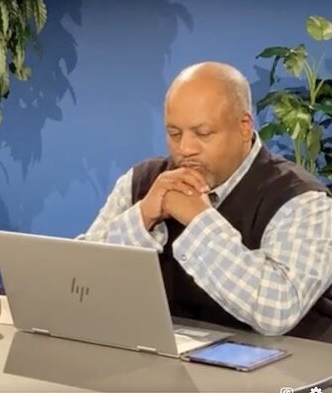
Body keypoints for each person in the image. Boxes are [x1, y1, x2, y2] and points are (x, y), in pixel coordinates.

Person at [82, 61, 332, 341]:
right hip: (165, 365)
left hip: (287, 372)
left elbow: (278, 310)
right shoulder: (141, 181)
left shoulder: (303, 199)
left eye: (202, 134)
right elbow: (78, 282)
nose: (185, 149)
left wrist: (200, 220)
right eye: (174, 134)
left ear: (244, 127)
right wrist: (142, 218)